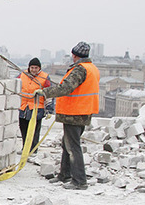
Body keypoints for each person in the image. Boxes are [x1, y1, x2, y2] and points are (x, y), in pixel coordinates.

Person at [35, 41, 99, 190]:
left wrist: (46, 92)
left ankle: (79, 181)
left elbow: (66, 88)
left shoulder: (80, 69)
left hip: (75, 112)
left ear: (75, 55)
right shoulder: (92, 68)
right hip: (82, 111)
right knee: (67, 144)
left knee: (73, 147)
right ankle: (65, 175)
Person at [18, 57, 53, 153]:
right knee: (23, 129)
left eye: (36, 68)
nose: (33, 70)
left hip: (37, 108)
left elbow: (49, 93)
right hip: (23, 107)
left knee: (34, 130)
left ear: (39, 68)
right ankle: (25, 148)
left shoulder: (44, 77)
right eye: (32, 68)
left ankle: (33, 149)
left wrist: (49, 109)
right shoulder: (22, 75)